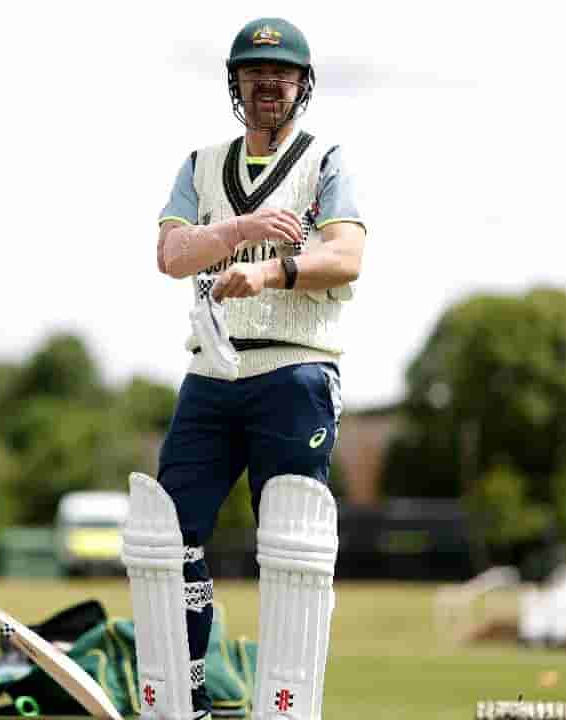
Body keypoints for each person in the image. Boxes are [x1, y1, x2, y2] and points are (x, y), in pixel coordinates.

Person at [121, 17, 365, 720]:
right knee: (169, 538)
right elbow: (172, 257)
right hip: (211, 373)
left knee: (291, 544)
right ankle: (186, 696)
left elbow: (346, 257)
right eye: (256, 74)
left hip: (295, 370)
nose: (268, 85)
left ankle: (286, 704)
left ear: (302, 85)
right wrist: (241, 231)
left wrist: (271, 273)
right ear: (236, 83)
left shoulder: (326, 162)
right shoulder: (201, 166)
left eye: (281, 75)